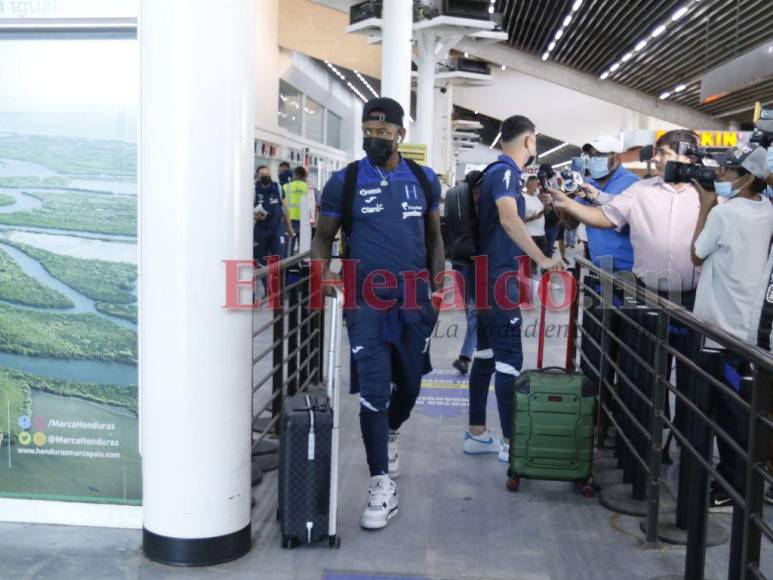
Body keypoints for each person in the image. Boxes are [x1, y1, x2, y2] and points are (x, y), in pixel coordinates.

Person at [311, 97, 445, 530]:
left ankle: (391, 430)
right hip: (364, 299)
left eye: (384, 132)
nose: (375, 138)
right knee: (373, 387)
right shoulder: (345, 181)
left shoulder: (424, 180)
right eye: (369, 130)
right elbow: (322, 239)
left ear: (400, 135)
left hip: (414, 300)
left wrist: (438, 285)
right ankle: (380, 484)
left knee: (409, 383)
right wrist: (323, 274)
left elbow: (434, 238)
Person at [549, 129, 703, 434]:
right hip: (645, 296)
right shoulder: (642, 191)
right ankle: (640, 442)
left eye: (665, 154)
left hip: (692, 301)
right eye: (657, 153)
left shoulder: (706, 197)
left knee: (691, 381)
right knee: (642, 375)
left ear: (688, 158)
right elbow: (605, 217)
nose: (657, 160)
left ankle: (683, 444)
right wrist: (566, 204)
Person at [463, 115, 563, 462]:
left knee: (488, 355)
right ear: (530, 141)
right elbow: (508, 219)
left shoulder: (495, 172)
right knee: (509, 361)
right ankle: (509, 442)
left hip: (487, 277)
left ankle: (477, 434)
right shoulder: (506, 173)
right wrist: (544, 258)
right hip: (497, 280)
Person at [690, 144, 773, 509]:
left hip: (719, 325)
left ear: (748, 178)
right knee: (742, 407)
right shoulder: (767, 210)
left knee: (727, 410)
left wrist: (706, 204)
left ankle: (732, 485)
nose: (720, 176)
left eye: (729, 171)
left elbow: (696, 252)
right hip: (749, 324)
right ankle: (744, 477)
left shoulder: (725, 215)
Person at [567, 135, 640, 272]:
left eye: (599, 155)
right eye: (590, 155)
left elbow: (615, 213)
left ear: (617, 158)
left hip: (626, 269)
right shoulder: (588, 183)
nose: (592, 160)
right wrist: (563, 201)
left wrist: (594, 199)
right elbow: (571, 223)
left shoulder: (631, 183)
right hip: (598, 266)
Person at [452, 170, 484, 376]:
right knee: (471, 313)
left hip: (479, 267)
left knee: (474, 313)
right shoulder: (459, 208)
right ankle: (475, 351)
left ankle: (465, 356)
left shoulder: (488, 207)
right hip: (463, 266)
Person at [254, 166, 293, 288]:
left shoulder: (278, 188)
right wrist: (255, 217)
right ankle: (267, 288)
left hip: (277, 229)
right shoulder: (253, 190)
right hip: (261, 230)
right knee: (262, 261)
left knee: (279, 260)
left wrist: (290, 227)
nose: (265, 176)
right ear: (258, 176)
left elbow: (285, 209)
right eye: (262, 174)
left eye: (267, 173)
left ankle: (278, 287)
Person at [283, 166, 309, 254]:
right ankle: (304, 265)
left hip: (289, 220)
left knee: (289, 245)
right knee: (304, 247)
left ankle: (287, 265)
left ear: (294, 175)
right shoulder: (308, 188)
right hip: (304, 221)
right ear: (305, 176)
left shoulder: (286, 186)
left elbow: (282, 204)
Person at [523, 175, 547, 264]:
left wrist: (547, 205)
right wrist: (532, 218)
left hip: (541, 234)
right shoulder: (523, 198)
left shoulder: (538, 197)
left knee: (543, 260)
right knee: (530, 264)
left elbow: (544, 212)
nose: (536, 186)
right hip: (530, 235)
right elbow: (518, 218)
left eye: (537, 184)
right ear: (527, 185)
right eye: (534, 184)